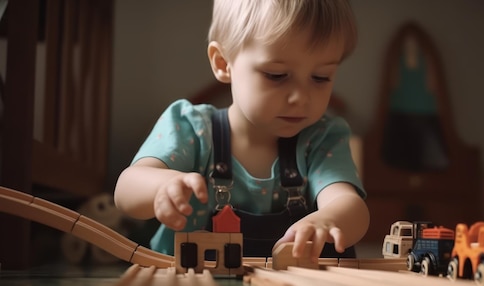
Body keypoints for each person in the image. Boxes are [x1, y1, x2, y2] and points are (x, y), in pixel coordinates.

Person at [114, 0, 369, 261]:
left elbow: (351, 208)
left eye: (321, 77)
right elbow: (125, 190)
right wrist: (162, 186)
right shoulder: (191, 128)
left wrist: (328, 219)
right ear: (224, 63)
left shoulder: (321, 138)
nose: (301, 97)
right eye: (277, 75)